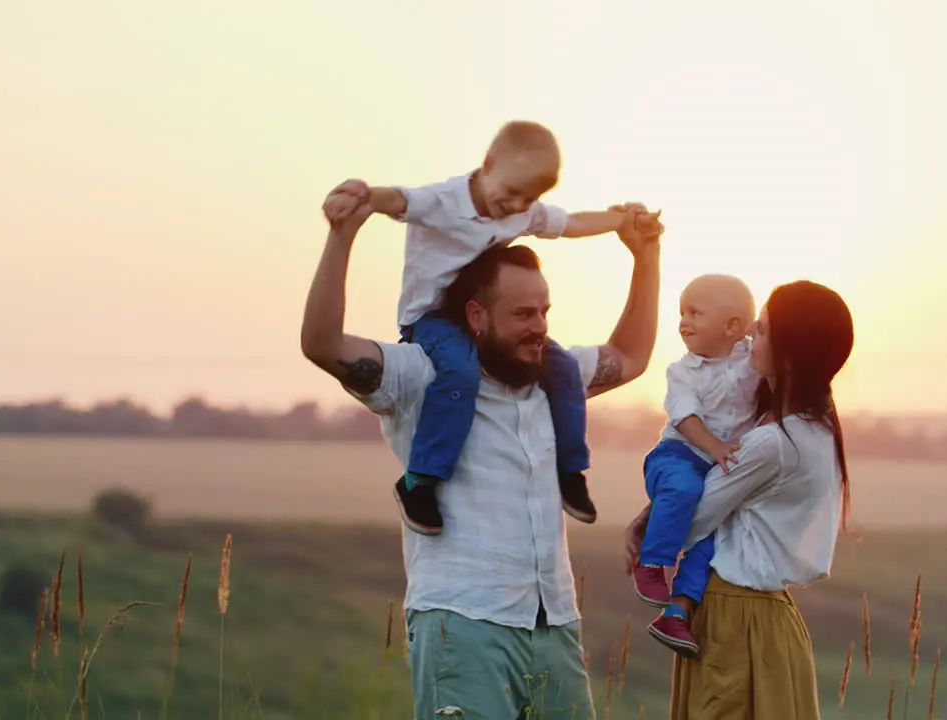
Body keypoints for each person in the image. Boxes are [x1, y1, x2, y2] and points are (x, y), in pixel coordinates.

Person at [303, 183, 663, 718]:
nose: (539, 327)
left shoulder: (554, 379)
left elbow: (630, 356)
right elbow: (323, 344)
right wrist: (342, 237)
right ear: (475, 316)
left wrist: (645, 257)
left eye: (544, 311)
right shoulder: (417, 375)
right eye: (523, 314)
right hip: (462, 621)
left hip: (554, 623)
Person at [326, 120, 636, 537]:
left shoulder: (521, 209)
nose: (514, 206)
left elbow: (571, 224)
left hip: (484, 317)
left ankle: (570, 471)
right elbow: (398, 199)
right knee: (459, 372)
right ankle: (420, 480)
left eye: (527, 199)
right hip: (432, 319)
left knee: (559, 366)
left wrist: (619, 220)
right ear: (487, 165)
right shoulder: (444, 201)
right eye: (509, 193)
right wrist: (361, 194)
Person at [623, 280, 855, 720]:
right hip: (770, 617)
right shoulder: (815, 429)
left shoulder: (771, 442)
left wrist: (648, 523)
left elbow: (693, 518)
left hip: (735, 617)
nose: (751, 330)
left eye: (763, 329)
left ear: (788, 351)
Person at [630, 274, 760, 659]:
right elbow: (684, 416)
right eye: (682, 312)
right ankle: (651, 563)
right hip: (677, 456)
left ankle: (676, 613)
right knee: (683, 490)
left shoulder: (752, 360)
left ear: (733, 326)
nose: (683, 321)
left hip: (715, 467)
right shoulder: (682, 371)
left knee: (712, 542)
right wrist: (716, 447)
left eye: (695, 312)